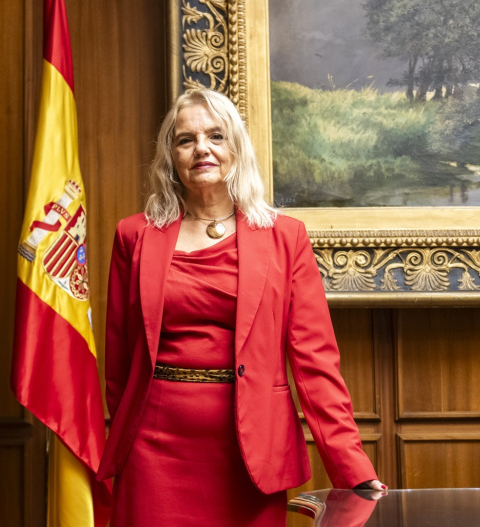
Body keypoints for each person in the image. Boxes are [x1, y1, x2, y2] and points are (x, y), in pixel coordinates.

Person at [96, 88, 385, 526]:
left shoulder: (285, 238)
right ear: (170, 156)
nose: (202, 149)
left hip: (251, 455)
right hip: (153, 451)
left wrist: (353, 469)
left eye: (216, 135)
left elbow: (316, 363)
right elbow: (118, 363)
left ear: (237, 148)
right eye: (185, 139)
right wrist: (124, 436)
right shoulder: (134, 236)